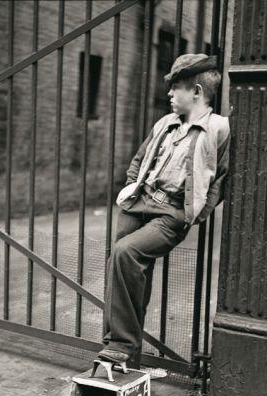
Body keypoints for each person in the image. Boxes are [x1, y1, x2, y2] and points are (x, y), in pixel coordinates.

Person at [98, 53, 231, 365]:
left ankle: (119, 344)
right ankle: (124, 356)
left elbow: (222, 178)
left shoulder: (218, 128)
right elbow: (138, 159)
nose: (169, 94)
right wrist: (131, 186)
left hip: (171, 213)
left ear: (197, 92)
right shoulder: (164, 123)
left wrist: (195, 212)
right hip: (139, 202)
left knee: (125, 254)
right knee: (126, 272)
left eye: (176, 88)